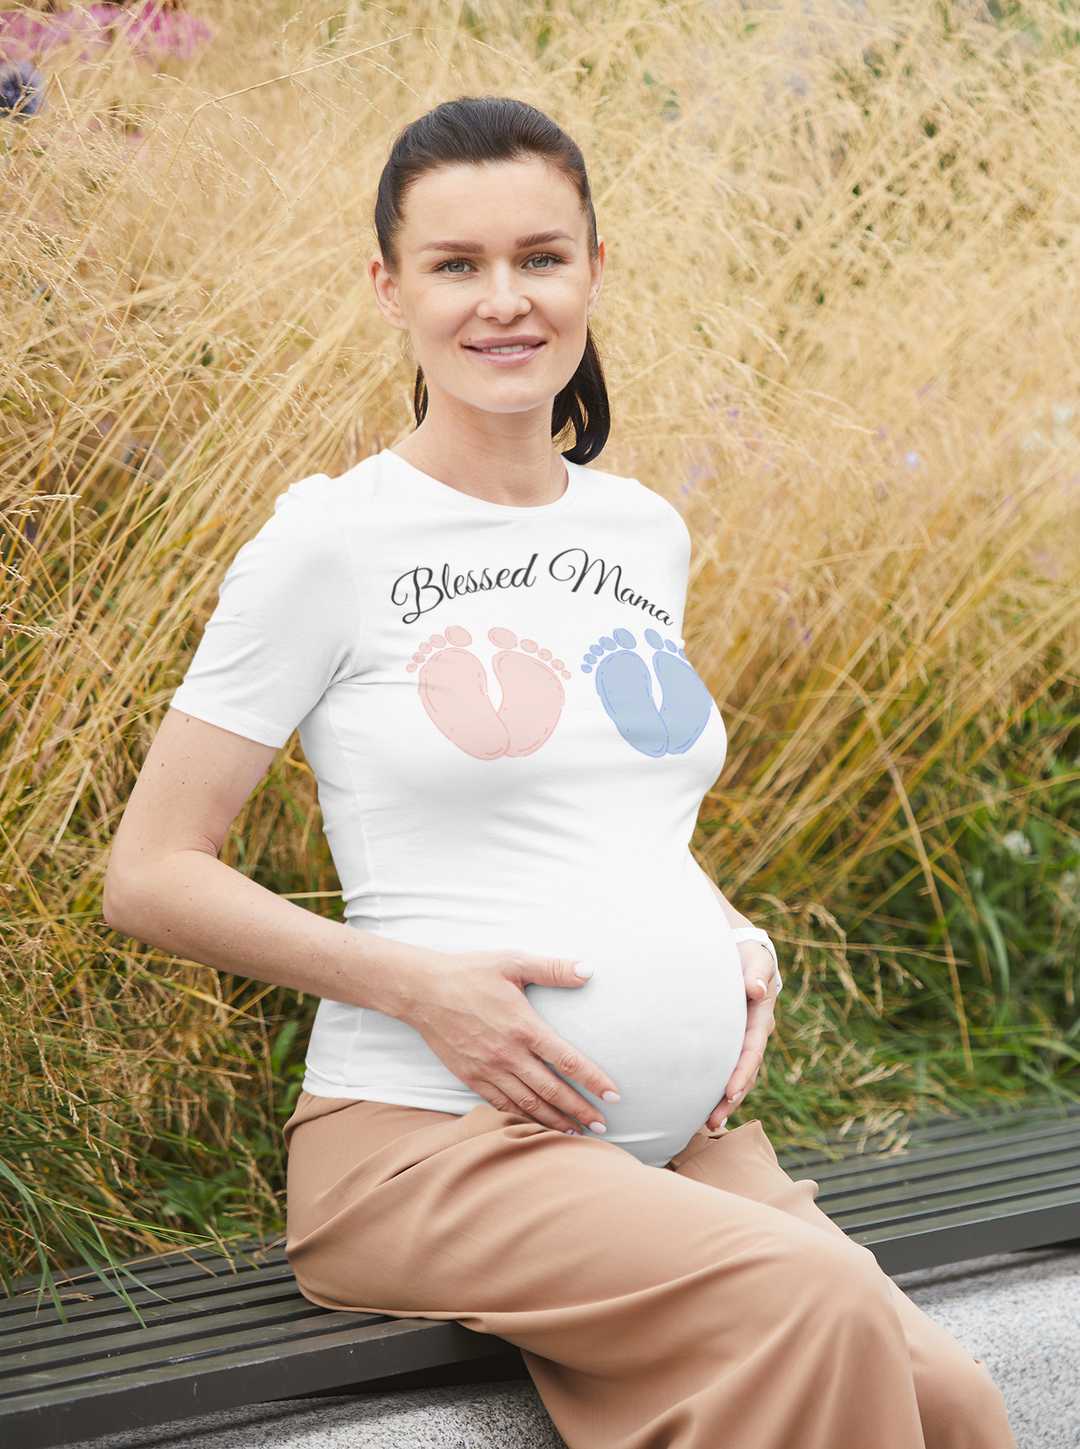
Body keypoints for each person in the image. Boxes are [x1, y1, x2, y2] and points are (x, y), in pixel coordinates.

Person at [104, 96, 1015, 1449]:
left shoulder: (642, 530)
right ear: (389, 289)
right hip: (425, 1150)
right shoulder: (330, 542)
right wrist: (420, 988)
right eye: (455, 265)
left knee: (960, 1404)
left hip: (654, 1148)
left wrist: (725, 931)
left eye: (541, 257)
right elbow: (148, 875)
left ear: (596, 271)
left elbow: (615, 816)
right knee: (814, 1304)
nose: (503, 301)